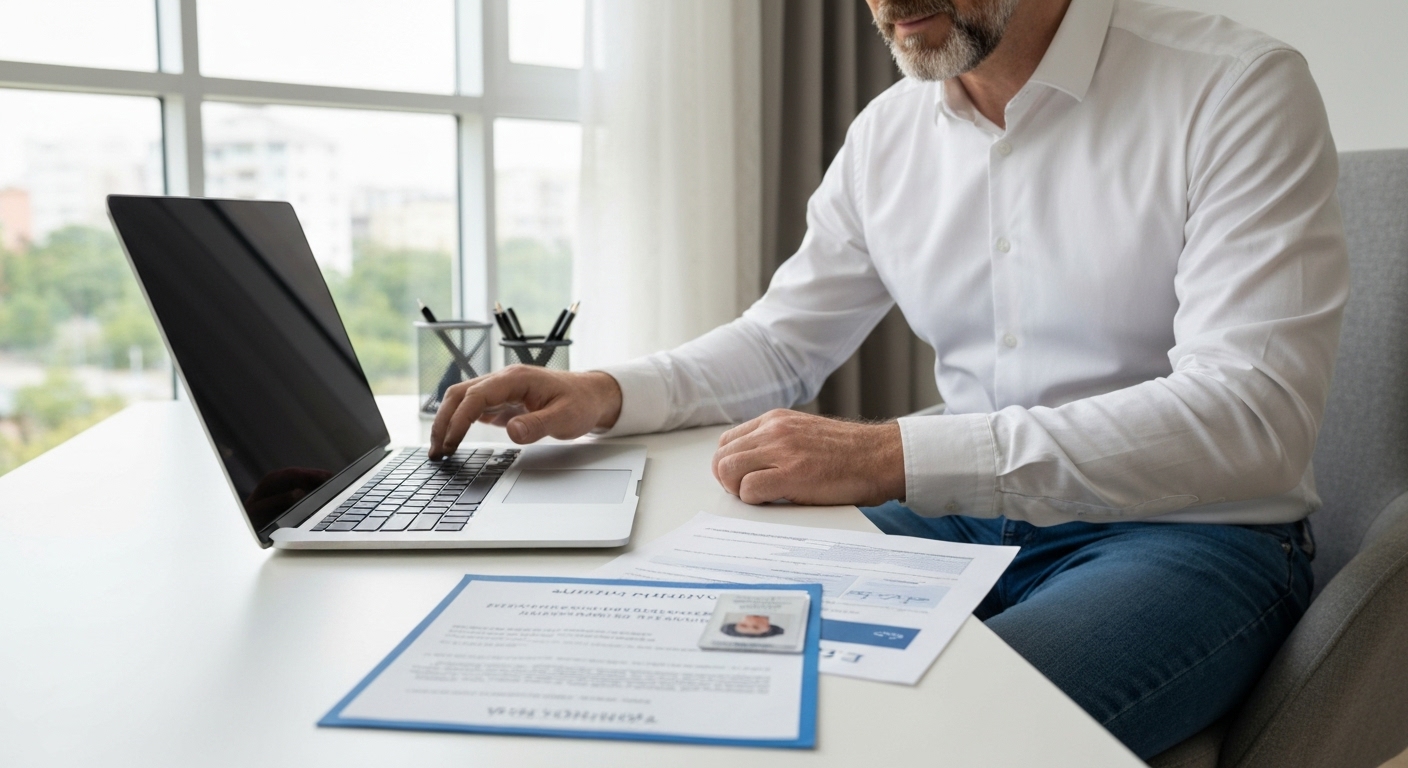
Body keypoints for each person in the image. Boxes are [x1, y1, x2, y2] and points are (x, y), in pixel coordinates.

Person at [429, 0, 1347, 758]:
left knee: (919, 741)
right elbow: (782, 344)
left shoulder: (1235, 88)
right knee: (667, 654)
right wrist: (607, 392)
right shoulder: (888, 134)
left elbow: (1248, 419)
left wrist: (894, 452)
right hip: (967, 517)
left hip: (1190, 530)